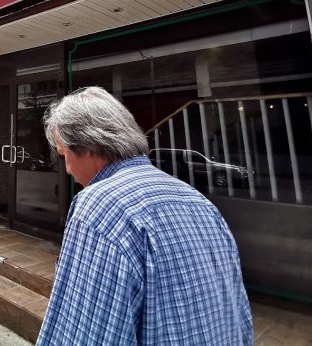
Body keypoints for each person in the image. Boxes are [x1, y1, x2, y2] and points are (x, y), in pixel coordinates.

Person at [37, 87, 253, 345]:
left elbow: (80, 335)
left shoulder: (99, 206)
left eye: (64, 155)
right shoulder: (199, 201)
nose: (68, 169)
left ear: (87, 146)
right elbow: (240, 316)